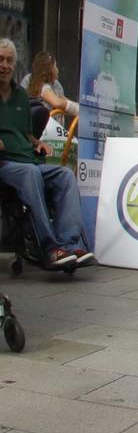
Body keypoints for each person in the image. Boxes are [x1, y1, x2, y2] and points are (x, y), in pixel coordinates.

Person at [0, 39, 91, 269]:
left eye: (9, 60)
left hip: (27, 157)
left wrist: (37, 142)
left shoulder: (21, 95)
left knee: (65, 175)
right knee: (31, 172)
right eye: (0, 60)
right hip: (5, 163)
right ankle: (50, 248)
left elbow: (26, 134)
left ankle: (69, 245)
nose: (5, 65)